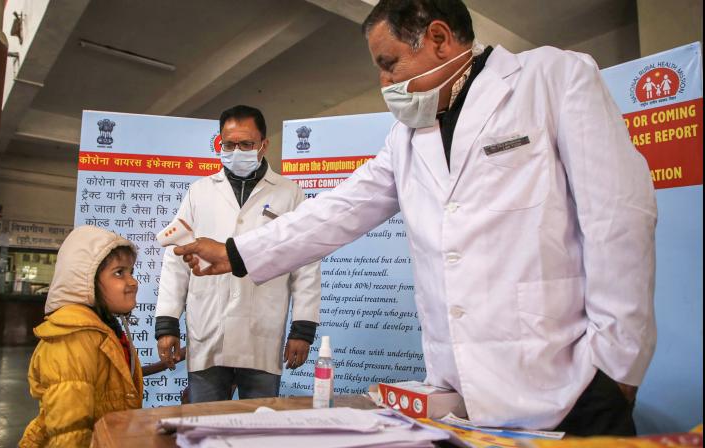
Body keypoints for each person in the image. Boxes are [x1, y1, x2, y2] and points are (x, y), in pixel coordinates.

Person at [173, 0, 657, 436]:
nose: (384, 82)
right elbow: (341, 209)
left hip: (569, 381)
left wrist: (618, 366)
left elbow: (619, 216)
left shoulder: (551, 78)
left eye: (389, 64)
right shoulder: (406, 137)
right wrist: (237, 252)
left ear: (439, 38)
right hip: (460, 392)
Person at [154, 105, 321, 402]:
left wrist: (302, 329)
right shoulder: (199, 192)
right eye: (229, 144)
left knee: (259, 429)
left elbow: (306, 264)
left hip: (261, 333)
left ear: (264, 144)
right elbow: (176, 260)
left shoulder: (289, 193)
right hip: (208, 331)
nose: (237, 151)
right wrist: (167, 322)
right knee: (203, 429)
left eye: (246, 144)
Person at [20, 226, 144, 447]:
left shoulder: (103, 329)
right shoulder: (73, 339)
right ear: (86, 280)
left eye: (131, 272)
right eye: (119, 272)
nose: (132, 281)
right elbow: (70, 432)